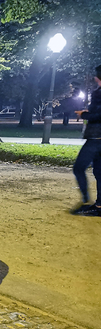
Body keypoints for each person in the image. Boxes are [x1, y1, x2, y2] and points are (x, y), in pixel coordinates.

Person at [72, 64, 101, 216]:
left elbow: (98, 116)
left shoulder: (98, 93)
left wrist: (83, 114)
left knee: (78, 168)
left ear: (98, 77)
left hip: (96, 137)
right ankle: (99, 206)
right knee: (99, 172)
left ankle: (85, 201)